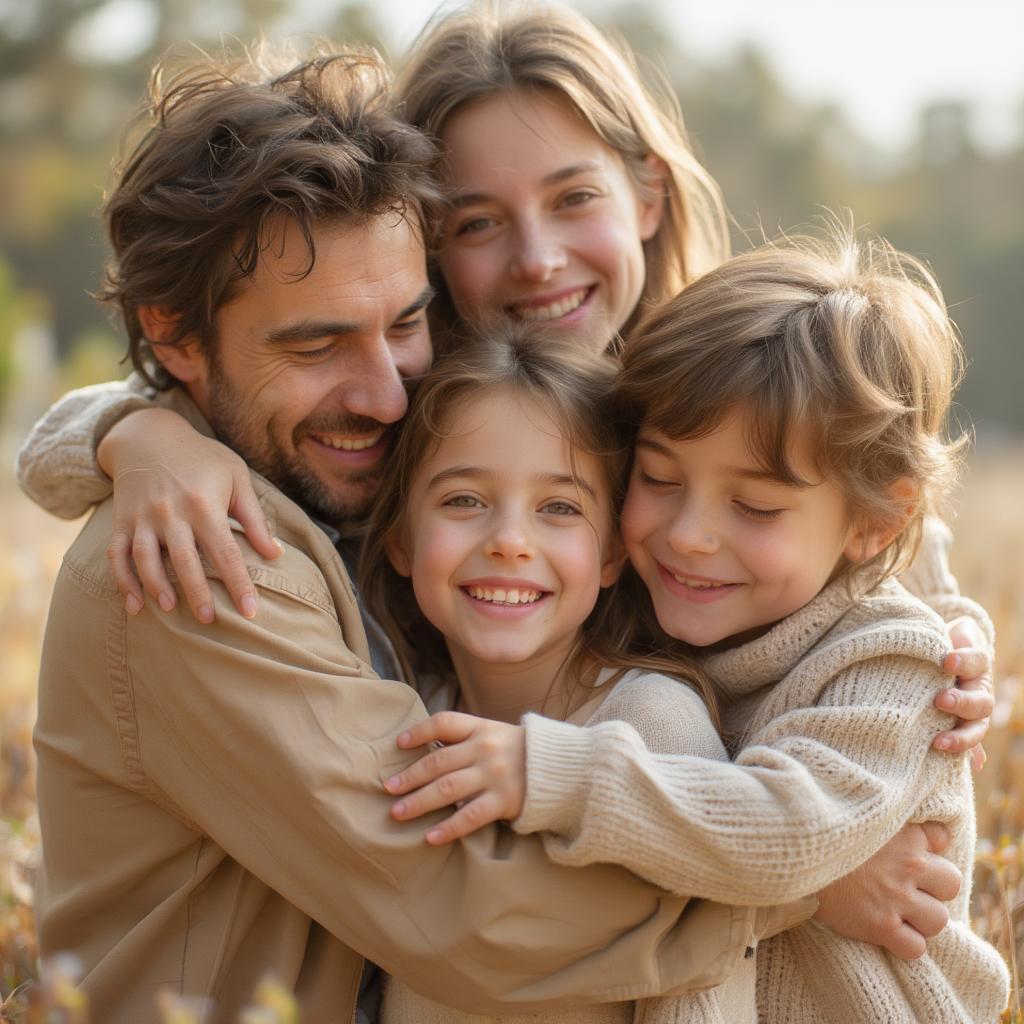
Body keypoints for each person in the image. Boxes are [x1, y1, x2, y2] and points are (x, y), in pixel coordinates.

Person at [34, 47, 816, 1023]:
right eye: (315, 344)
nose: (388, 392)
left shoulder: (353, 475)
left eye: (407, 323)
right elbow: (469, 911)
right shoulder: (195, 555)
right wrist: (803, 890)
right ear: (176, 338)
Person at [16, 3, 993, 758]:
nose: (536, 259)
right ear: (428, 248)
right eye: (478, 222)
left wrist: (942, 669)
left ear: (647, 194)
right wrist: (139, 436)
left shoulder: (736, 388)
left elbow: (894, 562)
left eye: (573, 199)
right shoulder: (414, 406)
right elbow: (157, 414)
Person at [386, 227, 1011, 1022]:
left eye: (752, 505)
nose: (688, 534)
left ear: (874, 526)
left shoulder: (894, 667)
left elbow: (787, 833)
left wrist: (554, 774)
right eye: (656, 477)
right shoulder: (680, 610)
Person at [359, 324, 764, 1023]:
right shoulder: (400, 720)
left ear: (612, 555)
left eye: (559, 508)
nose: (510, 541)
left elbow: (702, 989)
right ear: (400, 537)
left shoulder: (650, 722)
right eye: (463, 500)